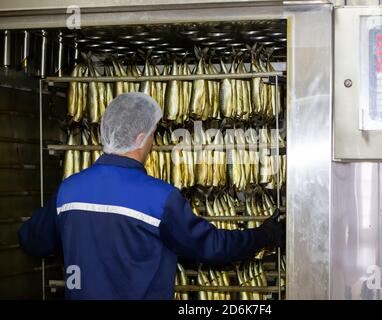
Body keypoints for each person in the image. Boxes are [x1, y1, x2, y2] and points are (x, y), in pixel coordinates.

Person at [19, 92, 284, 300]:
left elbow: (33, 241)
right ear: (140, 137)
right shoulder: (160, 198)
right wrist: (264, 235)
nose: (153, 142)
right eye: (153, 135)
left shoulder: (69, 190)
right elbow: (212, 246)